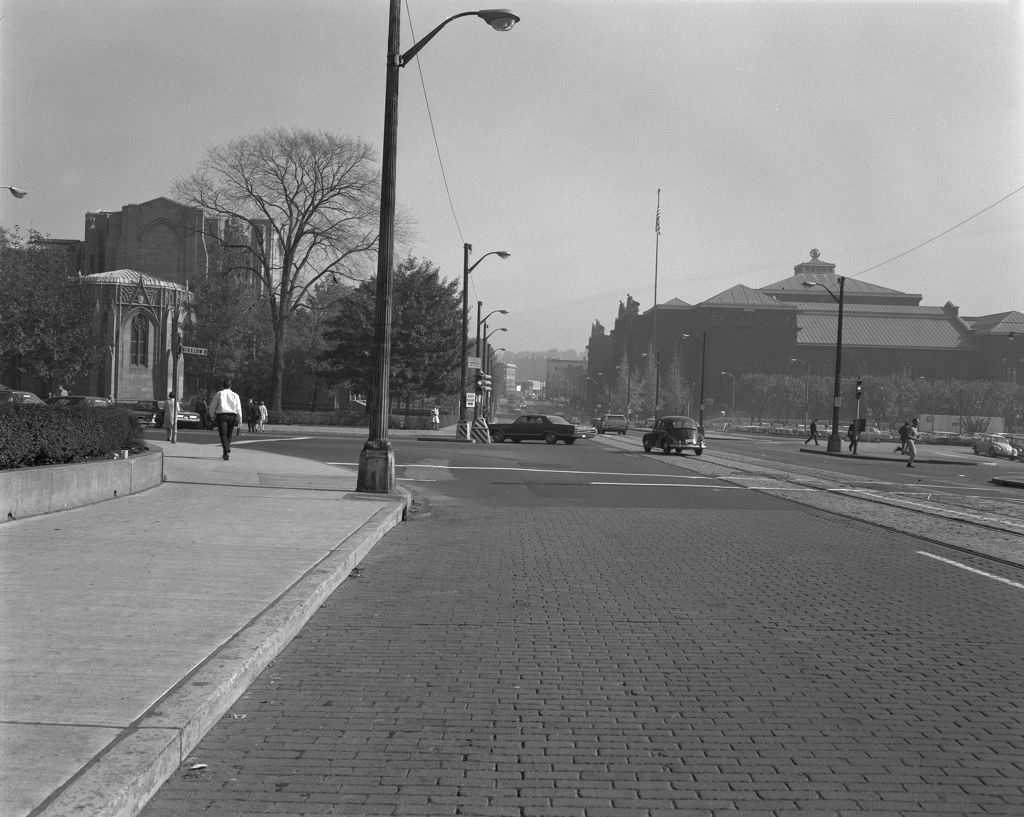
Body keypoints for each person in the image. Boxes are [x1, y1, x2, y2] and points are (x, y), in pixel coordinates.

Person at [208, 378, 242, 460]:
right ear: (231, 386)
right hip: (232, 416)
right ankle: (225, 453)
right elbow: (238, 408)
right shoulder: (235, 395)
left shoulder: (219, 393)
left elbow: (213, 406)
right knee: (229, 434)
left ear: (223, 386)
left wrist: (212, 415)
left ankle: (226, 449)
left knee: (223, 434)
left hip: (222, 415)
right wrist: (239, 419)